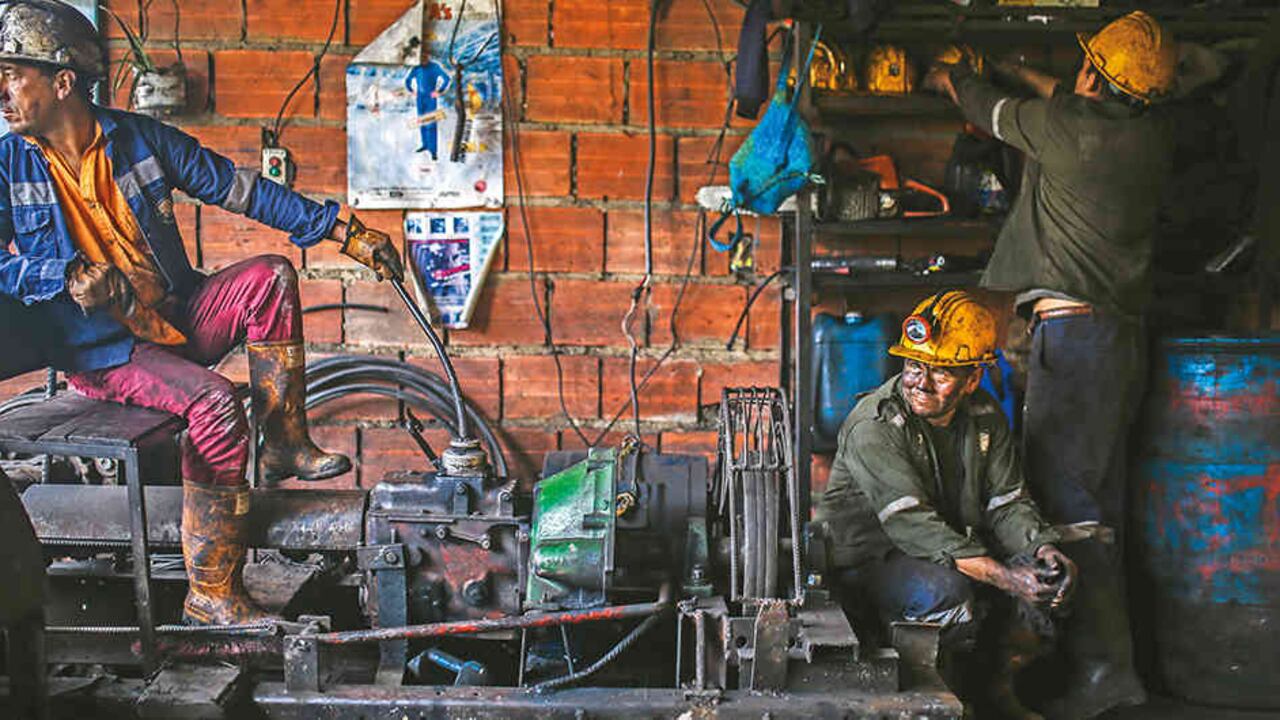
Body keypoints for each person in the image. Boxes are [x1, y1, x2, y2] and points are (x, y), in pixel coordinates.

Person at [0, 0, 404, 625]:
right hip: (99, 350)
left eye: (11, 74)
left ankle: (284, 443)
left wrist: (346, 232)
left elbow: (240, 188)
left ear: (62, 81)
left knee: (269, 276)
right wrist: (61, 274)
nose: (2, 92)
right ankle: (210, 594)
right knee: (215, 404)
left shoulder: (138, 139)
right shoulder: (7, 165)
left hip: (176, 316)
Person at [923, 11, 1176, 718]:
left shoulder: (1071, 132)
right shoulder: (1145, 133)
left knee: (1066, 515)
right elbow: (1069, 97)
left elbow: (988, 110)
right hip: (1117, 341)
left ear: (1096, 75)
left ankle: (1102, 674)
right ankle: (1102, 668)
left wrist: (953, 75)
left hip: (1077, 345)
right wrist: (1021, 70)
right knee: (1100, 509)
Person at [815, 290, 1076, 719]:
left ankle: (995, 690)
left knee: (1047, 578)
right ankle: (933, 698)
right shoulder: (874, 424)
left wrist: (1042, 550)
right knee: (945, 592)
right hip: (869, 559)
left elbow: (1008, 502)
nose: (919, 380)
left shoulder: (984, 416)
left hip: (950, 548)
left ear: (973, 378)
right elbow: (915, 528)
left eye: (940, 372)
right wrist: (1008, 578)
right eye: (914, 365)